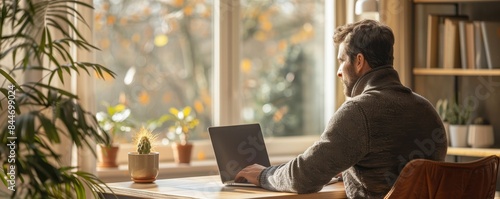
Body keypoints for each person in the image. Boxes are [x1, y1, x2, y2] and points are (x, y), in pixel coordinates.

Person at [234, 19, 448, 198]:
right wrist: (346, 170)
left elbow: (303, 177)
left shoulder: (358, 111)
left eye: (342, 60)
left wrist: (263, 175)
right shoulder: (427, 111)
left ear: (359, 61)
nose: (338, 71)